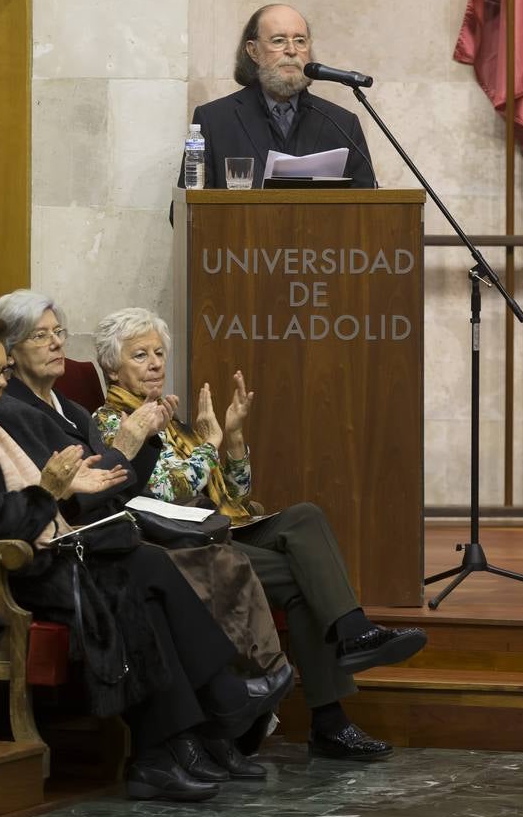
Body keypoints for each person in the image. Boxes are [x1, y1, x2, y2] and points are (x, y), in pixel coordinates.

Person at [0, 313, 292, 801]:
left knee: (145, 568)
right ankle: (205, 718)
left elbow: (66, 490)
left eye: (1, 371)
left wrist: (65, 491)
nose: (0, 382)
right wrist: (51, 492)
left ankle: (175, 746)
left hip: (53, 546)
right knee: (138, 577)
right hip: (14, 569)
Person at [93, 307, 428, 763]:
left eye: (158, 353)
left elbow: (234, 492)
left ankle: (350, 644)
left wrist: (231, 439)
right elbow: (171, 489)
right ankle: (333, 709)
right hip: (183, 545)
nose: (155, 363)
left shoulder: (167, 418)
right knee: (303, 581)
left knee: (305, 516)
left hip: (222, 526)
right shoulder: (113, 422)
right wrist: (209, 446)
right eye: (140, 355)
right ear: (112, 367)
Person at [176, 3, 377, 191]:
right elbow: (185, 212)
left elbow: (368, 209)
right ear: (253, 51)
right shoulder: (215, 121)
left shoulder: (341, 124)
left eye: (300, 41)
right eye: (279, 40)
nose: (291, 50)